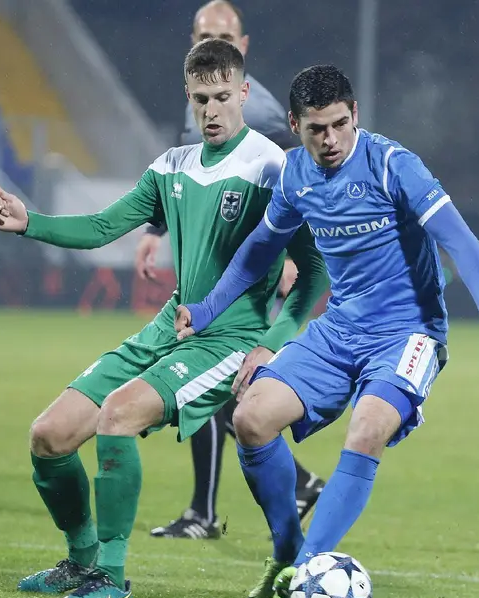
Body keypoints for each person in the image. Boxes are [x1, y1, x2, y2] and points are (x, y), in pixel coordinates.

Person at [0, 39, 327, 598]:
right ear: (188, 97)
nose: (211, 111)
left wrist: (270, 345)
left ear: (243, 93)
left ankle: (111, 579)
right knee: (49, 436)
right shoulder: (171, 166)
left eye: (222, 97)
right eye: (200, 99)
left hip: (229, 341)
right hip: (171, 325)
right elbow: (100, 228)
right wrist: (28, 222)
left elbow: (311, 273)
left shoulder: (272, 168)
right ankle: (81, 558)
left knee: (118, 414)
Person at [174, 64, 479, 598]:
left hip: (408, 335)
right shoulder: (294, 175)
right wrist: (206, 309)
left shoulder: (393, 165)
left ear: (355, 115)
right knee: (250, 418)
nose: (331, 139)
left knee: (366, 430)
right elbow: (258, 251)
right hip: (339, 330)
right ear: (295, 124)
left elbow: (461, 242)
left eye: (340, 124)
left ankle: (303, 571)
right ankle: (287, 553)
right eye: (316, 129)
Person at [138, 0, 325, 541]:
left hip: (248, 274)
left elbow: (292, 185)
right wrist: (157, 230)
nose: (211, 43)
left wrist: (292, 257)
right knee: (220, 386)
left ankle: (209, 511)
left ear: (242, 47)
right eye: (203, 35)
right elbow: (195, 173)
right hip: (213, 271)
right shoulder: (202, 97)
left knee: (210, 381)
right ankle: (294, 484)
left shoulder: (259, 112)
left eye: (222, 36)